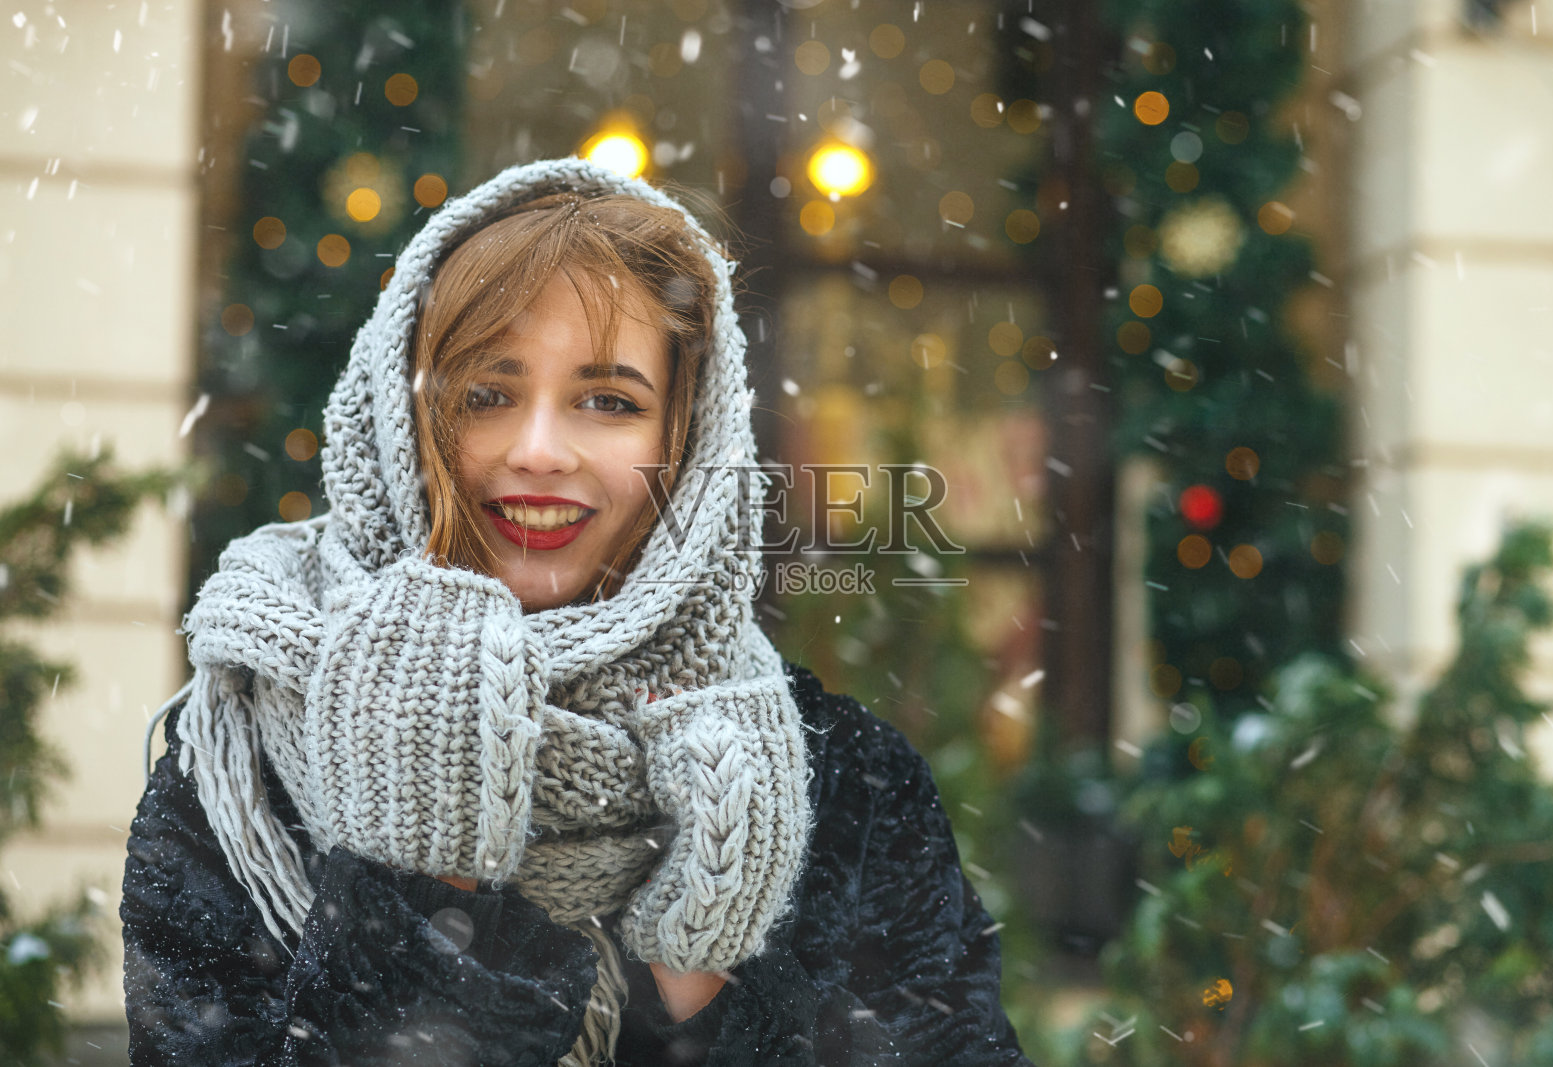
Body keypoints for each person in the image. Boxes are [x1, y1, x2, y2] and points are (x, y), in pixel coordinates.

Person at [122, 157, 1033, 1066]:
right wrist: (427, 890)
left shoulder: (851, 789)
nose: (540, 449)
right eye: (487, 394)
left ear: (685, 440)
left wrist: (708, 990)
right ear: (405, 426)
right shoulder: (241, 771)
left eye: (608, 400)